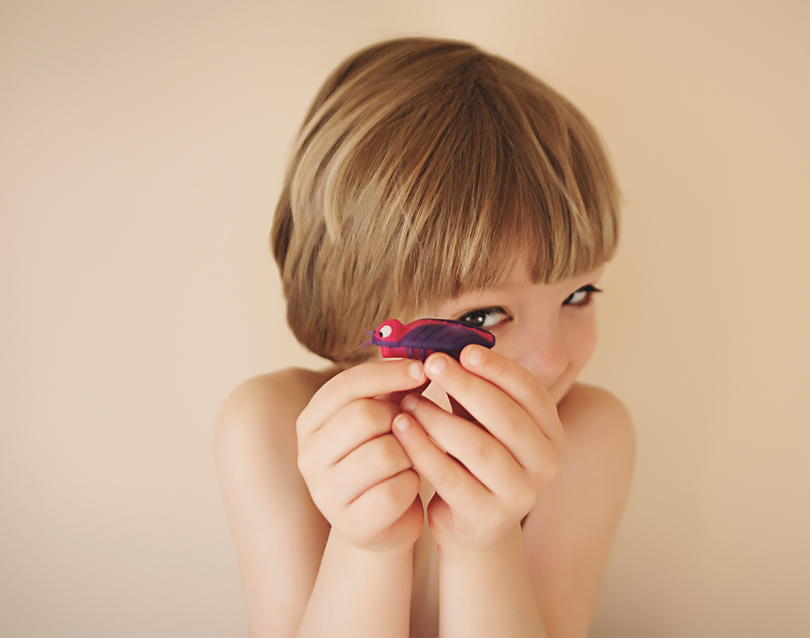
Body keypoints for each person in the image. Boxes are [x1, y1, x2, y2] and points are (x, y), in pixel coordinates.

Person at [215, 36, 635, 638]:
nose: (551, 360)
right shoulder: (270, 426)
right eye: (484, 316)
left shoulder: (589, 436)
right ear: (360, 300)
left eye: (577, 296)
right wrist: (369, 550)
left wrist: (482, 544)